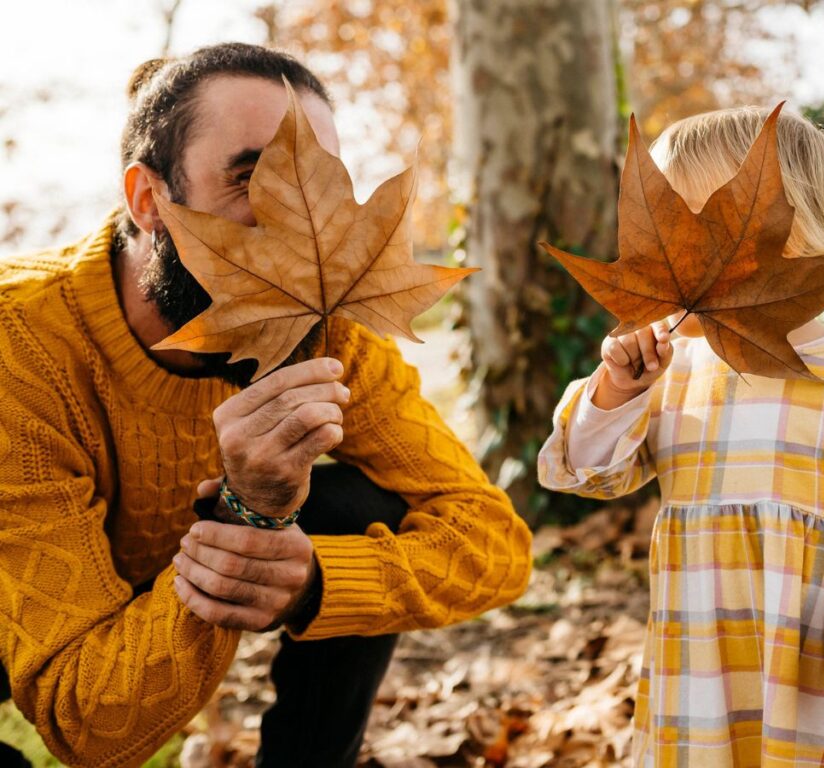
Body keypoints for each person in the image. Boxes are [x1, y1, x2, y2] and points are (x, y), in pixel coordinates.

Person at [0, 43, 532, 768]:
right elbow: (92, 725)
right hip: (18, 616)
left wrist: (316, 582)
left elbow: (495, 542)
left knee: (353, 511)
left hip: (152, 585)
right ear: (147, 199)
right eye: (252, 178)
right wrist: (248, 508)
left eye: (317, 186)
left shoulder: (329, 336)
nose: (293, 218)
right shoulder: (21, 344)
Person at [538, 106, 824, 766]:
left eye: (696, 245)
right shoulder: (676, 375)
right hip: (706, 678)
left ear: (790, 240)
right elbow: (584, 471)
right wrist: (618, 393)